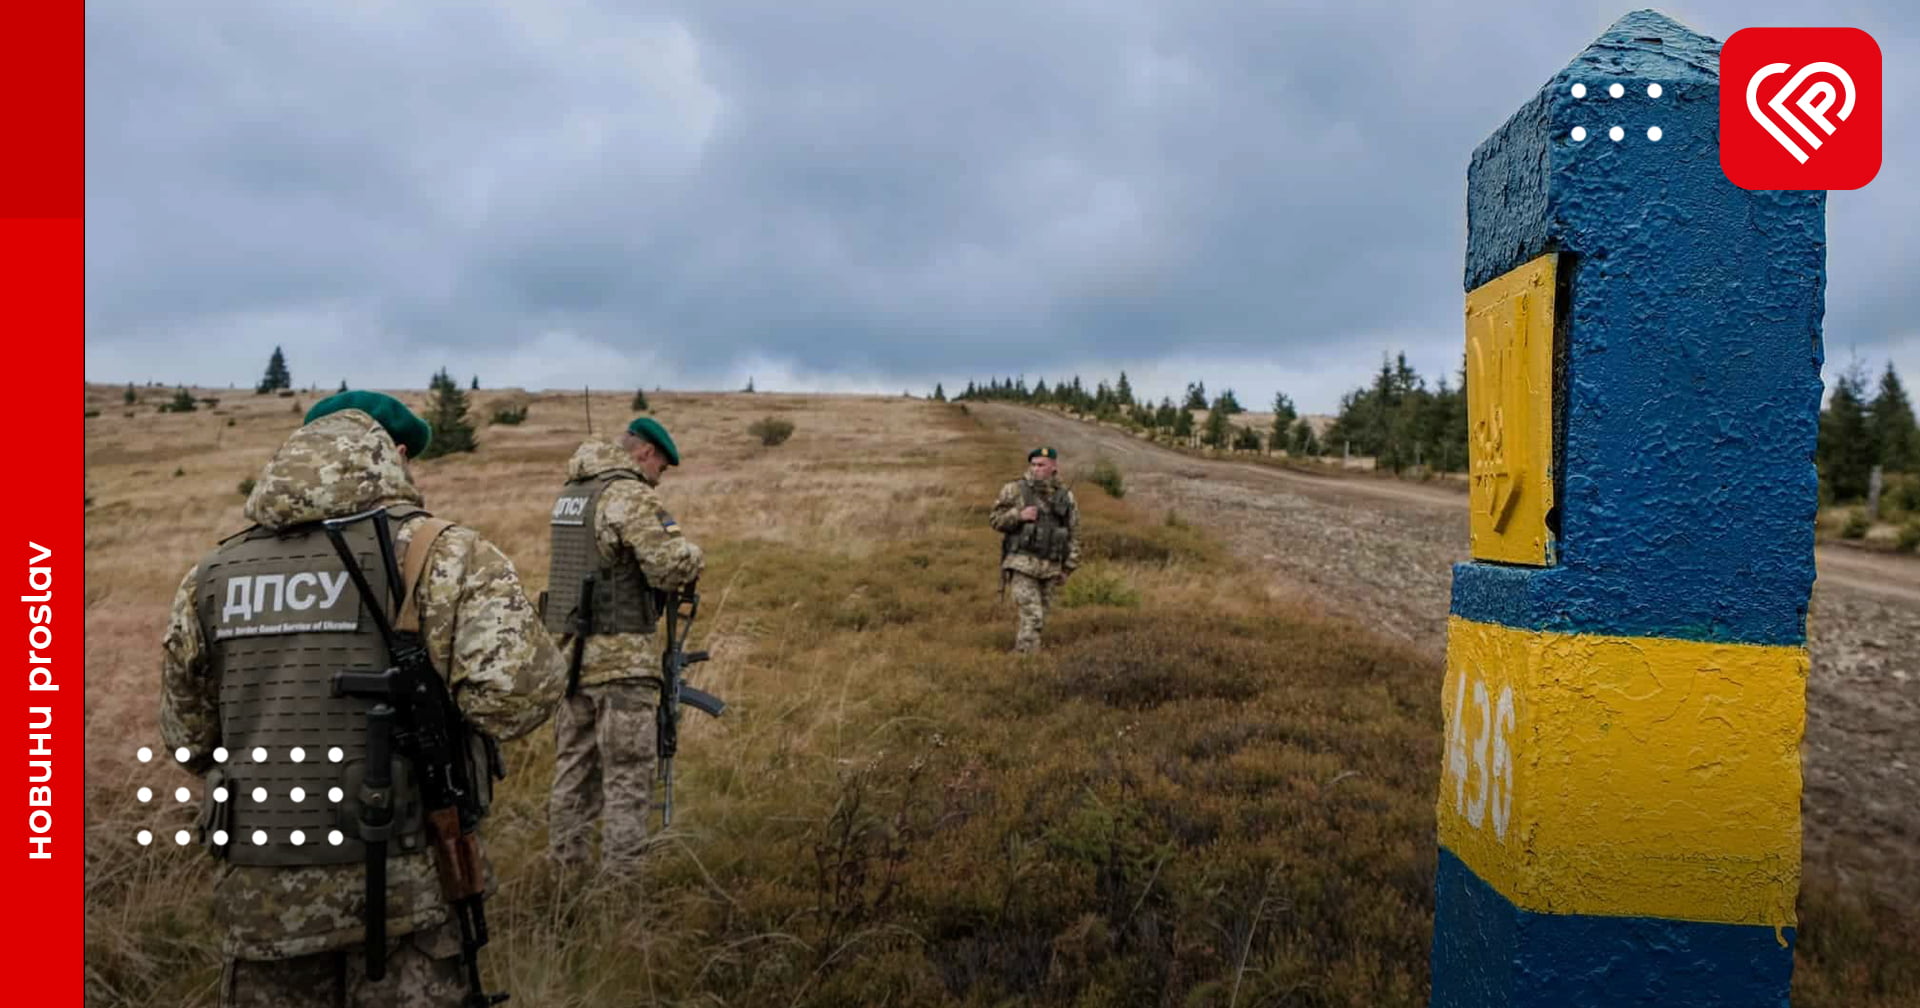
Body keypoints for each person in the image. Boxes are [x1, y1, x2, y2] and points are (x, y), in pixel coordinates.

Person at [160, 390, 565, 1008]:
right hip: (408, 889)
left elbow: (187, 738)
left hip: (262, 903)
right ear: (393, 455)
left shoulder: (212, 574)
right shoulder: (442, 553)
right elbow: (517, 700)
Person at [542, 416, 704, 870]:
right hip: (622, 662)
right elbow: (672, 567)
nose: (657, 480)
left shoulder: (572, 495)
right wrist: (694, 554)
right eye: (661, 469)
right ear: (647, 454)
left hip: (572, 658)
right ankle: (621, 890)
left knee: (572, 773)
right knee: (628, 777)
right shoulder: (628, 494)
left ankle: (564, 879)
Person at [989, 446, 1081, 653]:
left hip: (1051, 566)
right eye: (1033, 464)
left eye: (1042, 465)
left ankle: (1026, 659)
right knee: (1033, 616)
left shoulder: (1066, 497)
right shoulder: (1014, 490)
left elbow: (1074, 532)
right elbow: (995, 520)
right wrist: (1018, 515)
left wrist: (1068, 568)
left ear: (1054, 467)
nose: (1036, 469)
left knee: (1040, 620)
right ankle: (1024, 661)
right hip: (1022, 563)